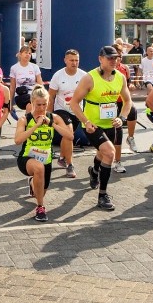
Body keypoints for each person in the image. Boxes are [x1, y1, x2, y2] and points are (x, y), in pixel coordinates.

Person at [68, 45, 132, 211]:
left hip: (111, 124)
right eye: (109, 58)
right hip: (93, 125)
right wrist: (86, 122)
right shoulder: (90, 78)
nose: (113, 61)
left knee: (101, 154)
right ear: (100, 59)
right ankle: (102, 195)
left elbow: (128, 101)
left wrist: (122, 117)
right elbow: (73, 103)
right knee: (110, 153)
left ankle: (94, 171)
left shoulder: (120, 77)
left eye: (116, 58)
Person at [14, 86, 73, 222]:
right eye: (38, 105)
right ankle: (40, 207)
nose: (41, 108)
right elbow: (17, 140)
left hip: (46, 159)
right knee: (38, 168)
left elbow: (69, 136)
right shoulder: (25, 119)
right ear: (32, 103)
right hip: (27, 158)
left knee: (40, 189)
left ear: (49, 103)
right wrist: (36, 125)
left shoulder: (54, 117)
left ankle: (33, 183)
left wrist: (51, 123)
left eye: (44, 104)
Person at [48, 49, 88, 179]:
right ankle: (70, 165)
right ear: (65, 60)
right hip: (61, 110)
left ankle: (61, 157)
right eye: (71, 60)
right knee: (70, 134)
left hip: (76, 111)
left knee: (67, 137)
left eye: (76, 60)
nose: (74, 63)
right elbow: (51, 96)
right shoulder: (58, 76)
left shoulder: (84, 76)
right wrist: (48, 114)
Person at [10, 46, 43, 112]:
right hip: (20, 96)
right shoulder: (14, 68)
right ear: (20, 54)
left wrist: (43, 96)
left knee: (31, 105)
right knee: (32, 102)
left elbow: (40, 84)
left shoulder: (35, 67)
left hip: (33, 94)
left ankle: (28, 119)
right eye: (26, 53)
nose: (28, 55)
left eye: (29, 53)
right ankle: (29, 119)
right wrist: (10, 103)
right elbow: (12, 87)